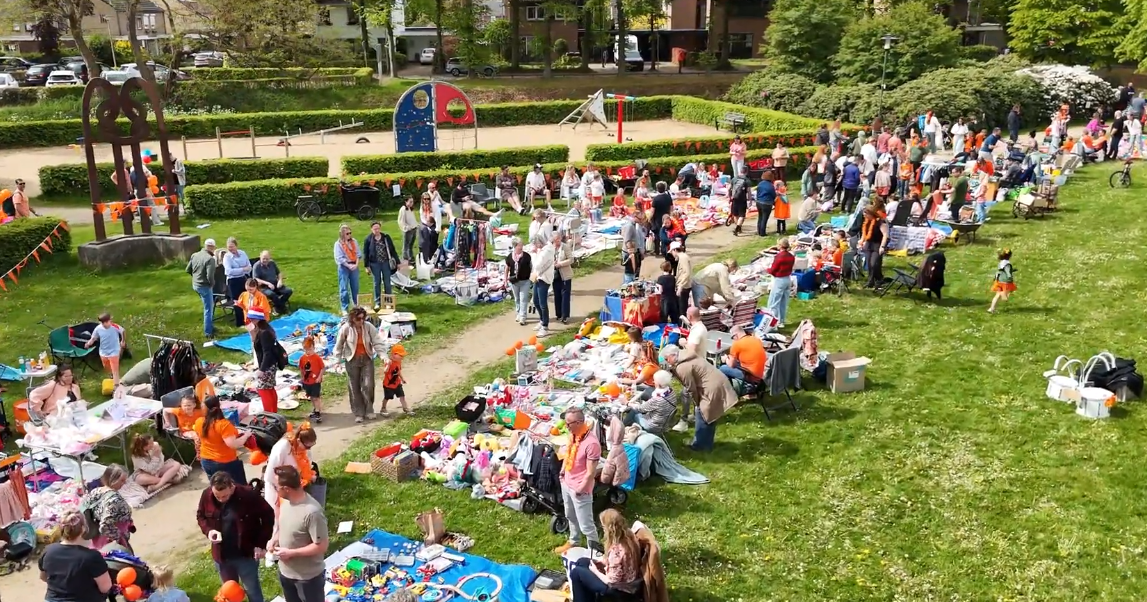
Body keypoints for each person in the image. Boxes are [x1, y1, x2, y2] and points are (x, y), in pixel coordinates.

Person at [196, 471, 274, 602]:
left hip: (245, 554)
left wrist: (261, 544)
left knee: (252, 590)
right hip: (222, 557)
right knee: (229, 594)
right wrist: (209, 531)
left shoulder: (248, 495)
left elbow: (269, 516)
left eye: (225, 496)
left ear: (232, 486)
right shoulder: (207, 495)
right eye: (217, 496)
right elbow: (201, 516)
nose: (221, 499)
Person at [268, 465, 329, 602]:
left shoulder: (312, 512)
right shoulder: (286, 502)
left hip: (307, 579)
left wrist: (291, 553)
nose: (275, 490)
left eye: (276, 487)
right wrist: (275, 539)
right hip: (286, 573)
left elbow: (321, 546)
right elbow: (285, 526)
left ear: (286, 489)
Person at [660, 344, 738, 451]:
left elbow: (691, 388)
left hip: (712, 387)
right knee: (709, 416)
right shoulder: (686, 354)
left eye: (667, 359)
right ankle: (706, 443)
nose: (667, 362)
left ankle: (700, 446)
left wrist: (697, 403)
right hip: (718, 381)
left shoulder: (682, 367)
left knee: (702, 413)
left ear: (673, 355)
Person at [553, 407, 601, 555]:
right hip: (567, 483)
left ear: (579, 422)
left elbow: (591, 472)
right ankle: (574, 541)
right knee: (570, 516)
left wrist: (581, 488)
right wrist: (562, 472)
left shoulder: (592, 444)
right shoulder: (573, 435)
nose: (566, 426)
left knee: (586, 525)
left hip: (580, 489)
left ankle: (595, 552)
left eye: (569, 423)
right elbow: (568, 455)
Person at [567, 509, 642, 600]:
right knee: (582, 562)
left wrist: (595, 571)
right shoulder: (629, 535)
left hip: (619, 590)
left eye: (603, 526)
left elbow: (612, 581)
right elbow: (620, 565)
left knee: (576, 573)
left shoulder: (616, 551)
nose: (603, 529)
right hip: (628, 580)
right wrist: (603, 562)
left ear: (610, 529)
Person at [38, 511, 112, 602]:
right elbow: (105, 588)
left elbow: (43, 577)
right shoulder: (92, 557)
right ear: (83, 529)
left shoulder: (48, 551)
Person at [333, 306, 385, 422]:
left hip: (367, 359)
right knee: (354, 387)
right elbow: (338, 345)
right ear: (352, 318)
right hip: (352, 360)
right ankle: (359, 413)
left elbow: (377, 342)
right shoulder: (346, 328)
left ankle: (369, 409)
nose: (361, 321)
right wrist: (337, 361)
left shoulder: (368, 327)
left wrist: (383, 356)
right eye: (358, 319)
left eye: (363, 318)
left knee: (368, 385)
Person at [195, 395, 253, 484]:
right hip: (225, 462)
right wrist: (246, 435)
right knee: (239, 488)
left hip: (206, 460)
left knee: (217, 487)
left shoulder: (199, 422)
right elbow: (233, 444)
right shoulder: (223, 425)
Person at [262, 424, 318, 510]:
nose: (309, 449)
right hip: (278, 487)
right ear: (299, 440)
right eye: (308, 446)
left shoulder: (304, 449)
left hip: (296, 487)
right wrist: (278, 493)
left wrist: (310, 476)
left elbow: (307, 465)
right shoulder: (282, 447)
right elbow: (270, 476)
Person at [80, 465, 133, 550]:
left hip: (97, 539)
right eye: (122, 480)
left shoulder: (95, 491)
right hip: (111, 541)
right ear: (112, 479)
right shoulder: (114, 500)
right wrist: (118, 539)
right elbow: (105, 526)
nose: (124, 483)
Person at [623, 370, 678, 435]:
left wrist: (627, 403)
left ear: (658, 383)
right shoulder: (671, 392)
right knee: (636, 406)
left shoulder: (657, 399)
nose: (653, 382)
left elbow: (640, 409)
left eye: (654, 380)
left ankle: (623, 428)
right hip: (663, 422)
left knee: (634, 411)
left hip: (653, 426)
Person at [187, 238, 217, 340]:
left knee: (207, 306)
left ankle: (210, 326)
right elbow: (210, 276)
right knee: (208, 309)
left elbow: (188, 269)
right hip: (205, 287)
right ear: (212, 247)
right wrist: (212, 284)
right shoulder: (210, 259)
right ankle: (208, 332)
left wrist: (196, 278)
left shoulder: (194, 255)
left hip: (195, 285)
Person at [363, 221, 399, 307]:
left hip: (386, 263)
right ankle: (378, 302)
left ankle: (388, 302)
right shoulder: (368, 239)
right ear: (371, 229)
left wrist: (398, 262)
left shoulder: (386, 237)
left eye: (378, 228)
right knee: (377, 283)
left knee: (387, 282)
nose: (377, 230)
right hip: (375, 264)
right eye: (375, 229)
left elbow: (393, 250)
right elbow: (366, 253)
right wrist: (367, 266)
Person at [85, 312, 125, 388]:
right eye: (102, 323)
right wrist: (88, 344)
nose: (105, 324)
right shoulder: (98, 329)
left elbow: (122, 331)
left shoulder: (115, 327)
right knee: (107, 367)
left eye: (106, 322)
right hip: (103, 352)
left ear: (110, 320)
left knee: (115, 369)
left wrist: (123, 341)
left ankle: (116, 386)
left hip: (114, 351)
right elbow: (93, 338)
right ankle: (112, 376)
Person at [252, 251, 293, 315]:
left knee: (289, 291)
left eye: (267, 259)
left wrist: (280, 281)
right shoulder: (256, 266)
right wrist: (267, 283)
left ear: (270, 258)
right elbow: (256, 279)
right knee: (272, 294)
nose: (265, 260)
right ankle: (283, 308)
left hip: (275, 284)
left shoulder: (272, 263)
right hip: (263, 287)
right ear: (260, 257)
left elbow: (279, 273)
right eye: (263, 258)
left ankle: (277, 307)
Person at [504, 237, 533, 326]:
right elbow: (507, 268)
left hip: (525, 281)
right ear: (515, 246)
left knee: (523, 299)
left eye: (521, 245)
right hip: (514, 282)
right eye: (519, 245)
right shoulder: (510, 257)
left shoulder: (527, 256)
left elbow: (531, 267)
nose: (521, 247)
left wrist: (532, 278)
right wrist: (505, 280)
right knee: (517, 299)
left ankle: (523, 317)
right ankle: (519, 313)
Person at [766, 238, 794, 327]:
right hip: (788, 279)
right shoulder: (791, 256)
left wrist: (767, 269)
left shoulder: (779, 257)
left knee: (773, 302)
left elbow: (773, 270)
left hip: (779, 280)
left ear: (780, 246)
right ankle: (781, 321)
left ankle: (772, 323)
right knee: (783, 302)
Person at [530, 236, 555, 337]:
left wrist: (534, 254)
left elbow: (536, 265)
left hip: (544, 279)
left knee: (542, 303)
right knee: (535, 301)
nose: (535, 247)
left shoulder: (546, 252)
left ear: (539, 243)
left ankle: (545, 326)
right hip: (538, 277)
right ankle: (541, 320)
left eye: (535, 244)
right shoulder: (543, 250)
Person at [334, 224, 361, 314]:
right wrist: (348, 265)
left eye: (350, 233)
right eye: (347, 233)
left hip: (354, 265)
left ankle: (356, 305)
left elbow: (358, 254)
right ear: (342, 234)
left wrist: (356, 264)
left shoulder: (354, 241)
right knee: (344, 288)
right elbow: (339, 258)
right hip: (344, 267)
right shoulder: (338, 244)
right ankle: (344, 308)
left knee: (355, 287)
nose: (349, 235)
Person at [297, 336, 325, 423]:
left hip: (315, 381)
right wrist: (302, 377)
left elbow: (322, 368)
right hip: (307, 382)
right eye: (306, 350)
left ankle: (318, 412)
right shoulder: (302, 358)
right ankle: (316, 409)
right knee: (311, 397)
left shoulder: (317, 358)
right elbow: (301, 368)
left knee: (316, 397)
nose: (308, 351)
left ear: (313, 347)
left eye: (310, 349)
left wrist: (319, 377)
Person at [221, 238, 252, 314]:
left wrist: (244, 270)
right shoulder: (227, 257)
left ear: (236, 246)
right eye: (229, 247)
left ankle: (248, 317)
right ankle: (240, 319)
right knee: (237, 301)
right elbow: (228, 271)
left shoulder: (242, 253)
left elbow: (249, 266)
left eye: (232, 246)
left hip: (243, 278)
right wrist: (242, 269)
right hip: (233, 281)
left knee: (247, 298)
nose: (230, 249)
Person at [861, 206, 889, 289]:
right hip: (868, 244)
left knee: (874, 263)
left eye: (866, 213)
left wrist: (882, 246)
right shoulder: (867, 222)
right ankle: (870, 281)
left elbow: (885, 235)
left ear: (871, 213)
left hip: (877, 244)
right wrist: (862, 240)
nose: (864, 215)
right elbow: (864, 232)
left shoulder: (880, 222)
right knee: (869, 264)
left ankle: (879, 278)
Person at [381, 343, 412, 416]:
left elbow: (398, 371)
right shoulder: (389, 362)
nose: (402, 357)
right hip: (388, 385)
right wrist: (388, 365)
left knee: (402, 396)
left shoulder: (398, 362)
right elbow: (385, 371)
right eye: (400, 355)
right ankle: (383, 408)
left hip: (397, 383)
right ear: (394, 354)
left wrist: (402, 379)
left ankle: (405, 408)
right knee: (387, 397)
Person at [552, 232, 574, 325]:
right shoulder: (550, 248)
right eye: (555, 240)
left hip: (565, 275)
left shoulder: (565, 247)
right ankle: (559, 314)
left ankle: (565, 316)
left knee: (565, 295)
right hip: (555, 275)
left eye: (558, 239)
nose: (557, 241)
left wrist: (560, 264)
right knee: (557, 294)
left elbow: (571, 259)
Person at [989, 248, 1016, 314]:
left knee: (997, 295)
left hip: (999, 280)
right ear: (1010, 256)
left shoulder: (1001, 262)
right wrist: (1010, 277)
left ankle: (991, 308)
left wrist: (1012, 270)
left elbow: (1001, 270)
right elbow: (1007, 272)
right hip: (1005, 281)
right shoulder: (1007, 264)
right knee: (1005, 296)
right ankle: (1003, 294)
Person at [668, 241, 693, 314]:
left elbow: (686, 273)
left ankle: (683, 321)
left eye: (672, 252)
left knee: (682, 310)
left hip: (684, 287)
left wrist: (680, 286)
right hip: (683, 286)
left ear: (675, 250)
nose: (672, 254)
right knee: (681, 309)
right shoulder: (682, 257)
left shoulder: (683, 258)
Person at [649, 182, 672, 255]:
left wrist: (649, 219)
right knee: (665, 234)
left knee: (657, 235)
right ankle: (664, 250)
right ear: (665, 188)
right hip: (666, 217)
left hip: (658, 219)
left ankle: (657, 251)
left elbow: (652, 211)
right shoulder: (668, 197)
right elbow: (671, 208)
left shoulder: (656, 199)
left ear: (657, 189)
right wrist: (670, 216)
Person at [418, 193, 439, 264]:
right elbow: (422, 218)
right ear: (422, 199)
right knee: (425, 240)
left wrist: (437, 227)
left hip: (433, 223)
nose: (426, 200)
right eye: (425, 199)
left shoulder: (434, 206)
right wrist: (427, 224)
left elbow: (437, 216)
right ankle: (426, 257)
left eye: (428, 199)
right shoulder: (422, 207)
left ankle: (433, 257)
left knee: (433, 239)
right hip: (425, 224)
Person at [754, 172, 777, 237]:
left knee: (760, 217)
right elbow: (773, 195)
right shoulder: (770, 185)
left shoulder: (760, 184)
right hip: (767, 203)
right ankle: (762, 233)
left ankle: (759, 231)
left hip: (758, 202)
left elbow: (758, 192)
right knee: (765, 218)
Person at [656, 261, 679, 325]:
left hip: (665, 299)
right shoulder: (673, 277)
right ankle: (675, 327)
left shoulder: (660, 278)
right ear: (670, 268)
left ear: (662, 268)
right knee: (674, 316)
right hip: (673, 298)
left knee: (664, 316)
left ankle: (664, 328)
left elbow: (660, 291)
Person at [729, 165, 749, 236]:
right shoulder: (746, 180)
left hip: (734, 199)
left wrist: (730, 197)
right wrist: (750, 200)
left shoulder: (734, 179)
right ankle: (737, 228)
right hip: (742, 200)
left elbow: (729, 189)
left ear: (740, 171)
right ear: (746, 172)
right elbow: (749, 192)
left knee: (736, 215)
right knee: (742, 216)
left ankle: (738, 228)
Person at [396, 196, 418, 264]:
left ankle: (410, 258)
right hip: (408, 230)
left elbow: (412, 219)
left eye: (412, 202)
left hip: (414, 229)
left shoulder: (410, 209)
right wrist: (406, 228)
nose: (412, 203)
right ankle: (405, 260)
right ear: (406, 202)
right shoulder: (403, 209)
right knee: (406, 246)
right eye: (410, 202)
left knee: (410, 245)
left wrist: (416, 225)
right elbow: (401, 221)